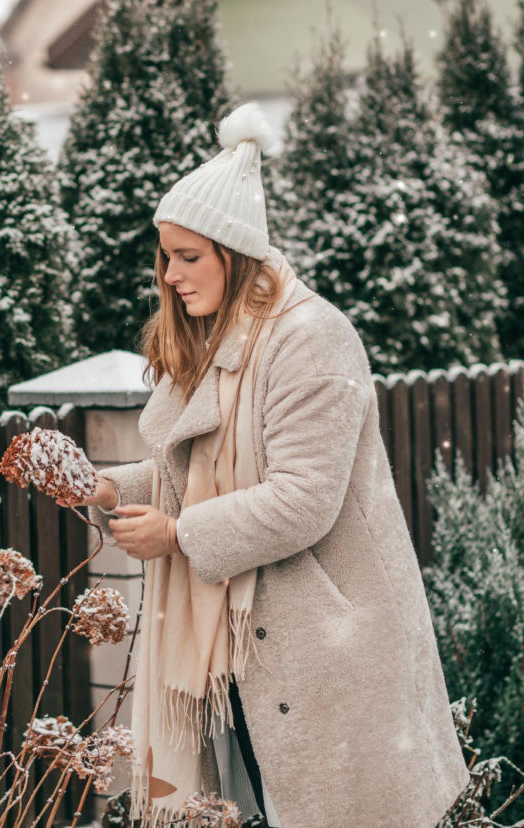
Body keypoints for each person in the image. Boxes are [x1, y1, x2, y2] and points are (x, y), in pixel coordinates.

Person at [57, 102, 468, 827]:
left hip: (330, 652)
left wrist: (178, 536)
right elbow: (193, 472)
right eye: (166, 258)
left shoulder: (312, 339)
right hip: (250, 656)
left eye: (189, 257)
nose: (172, 276)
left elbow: (303, 500)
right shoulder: (219, 344)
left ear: (235, 252)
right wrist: (107, 486)